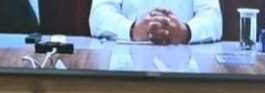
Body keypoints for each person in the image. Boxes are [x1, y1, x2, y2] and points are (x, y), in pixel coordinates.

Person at [89, 0, 221, 42]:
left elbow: (213, 18)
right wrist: (132, 30)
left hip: (186, 66)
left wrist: (186, 32)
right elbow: (99, 14)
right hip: (126, 64)